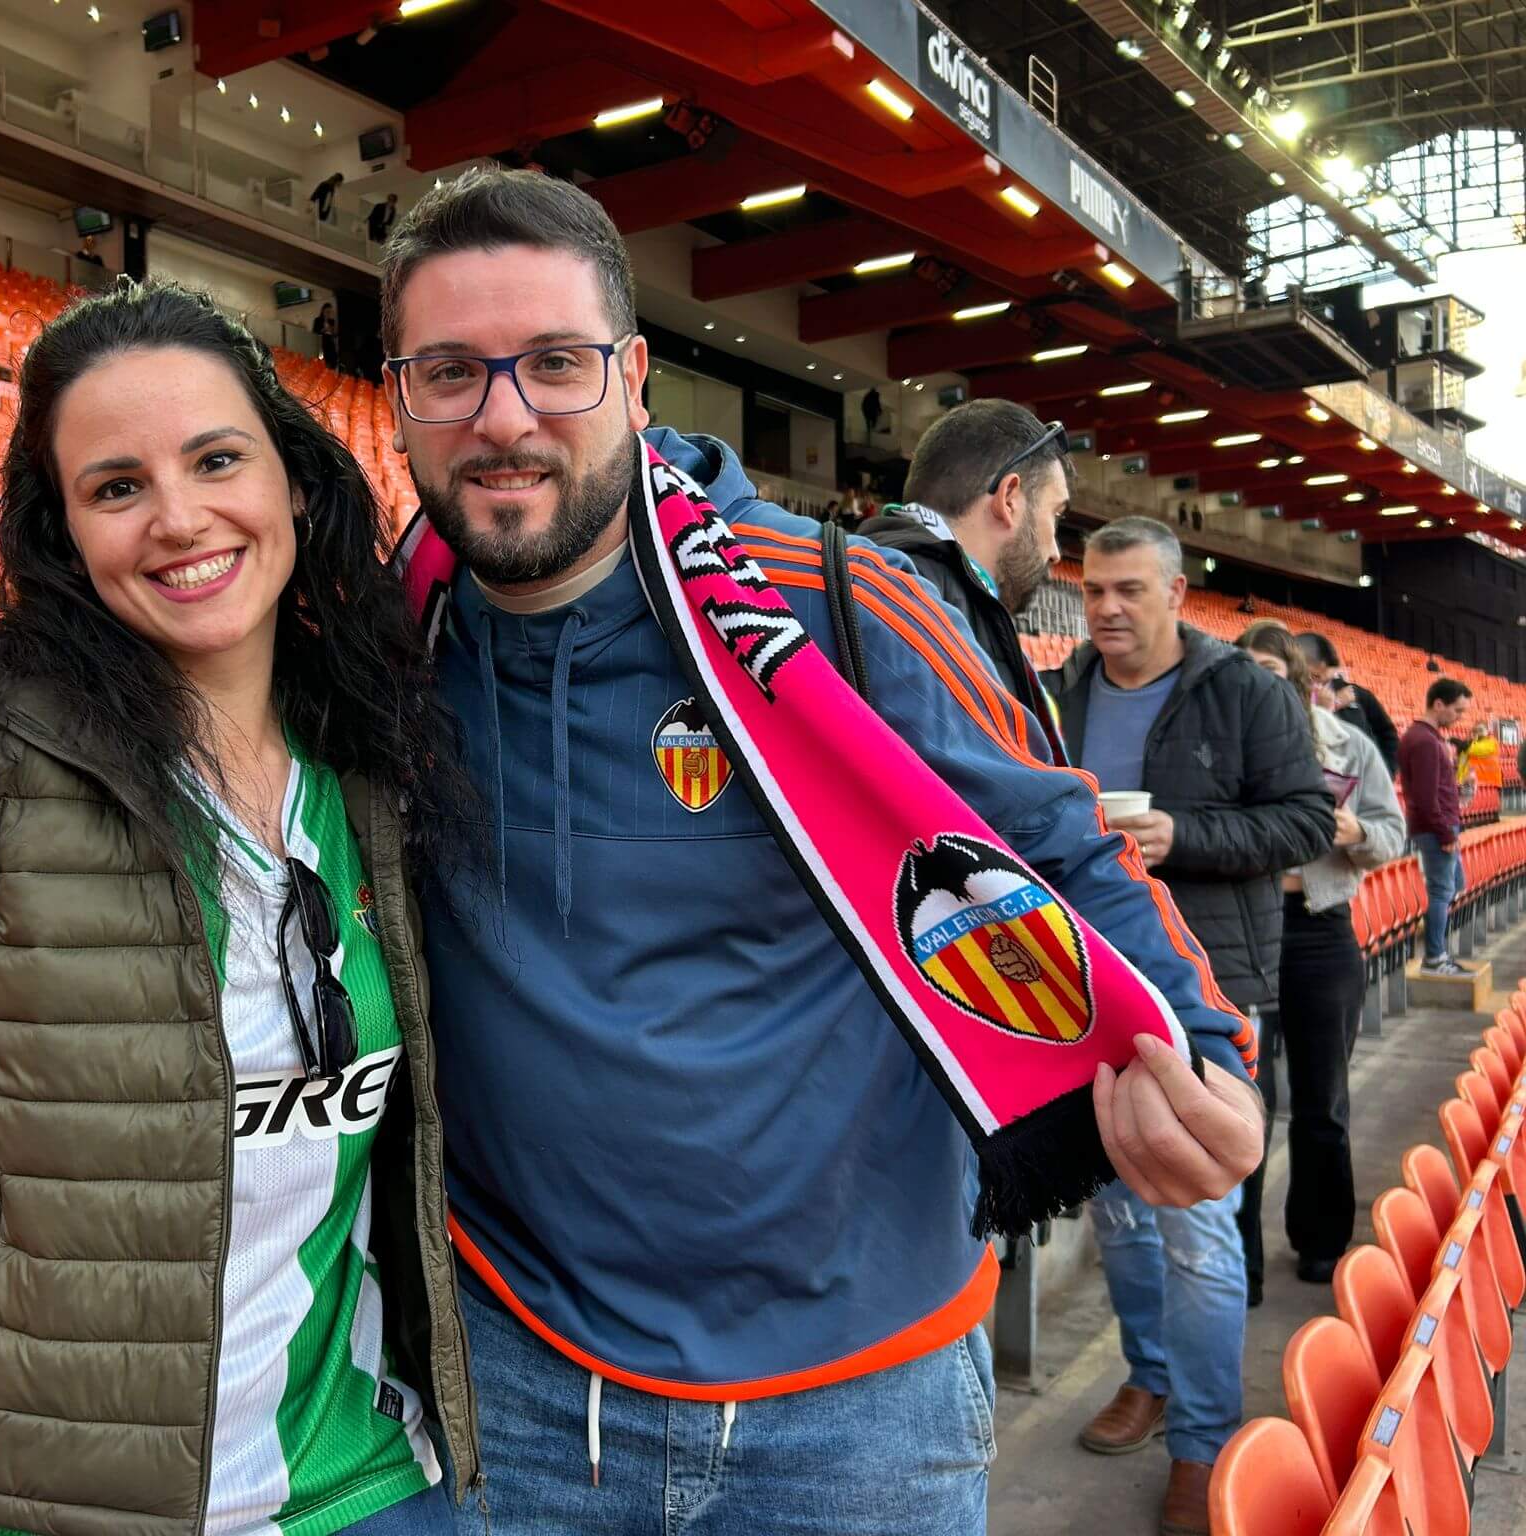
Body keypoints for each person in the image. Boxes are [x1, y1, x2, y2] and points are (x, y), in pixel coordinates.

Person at [378, 164, 1264, 1536]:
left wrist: (1200, 1047)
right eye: (450, 372)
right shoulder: (387, 644)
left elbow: (1057, 844)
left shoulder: (837, 601)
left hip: (860, 1412)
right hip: (524, 1390)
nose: (505, 418)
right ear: (397, 395)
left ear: (633, 374)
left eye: (555, 364)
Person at [0, 283, 479, 1535]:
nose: (178, 518)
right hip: (5, 1498)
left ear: (293, 482)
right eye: (115, 487)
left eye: (217, 459)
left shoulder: (373, 761)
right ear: (62, 535)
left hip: (351, 1482)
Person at [1048, 518, 1332, 1534]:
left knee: (1199, 1228)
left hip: (1202, 986)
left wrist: (1182, 835)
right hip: (1089, 991)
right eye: (1092, 592)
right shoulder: (1066, 687)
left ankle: (1204, 1440)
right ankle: (1150, 1376)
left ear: (1175, 593)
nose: (1108, 610)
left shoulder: (1245, 689)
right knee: (1119, 1213)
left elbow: (1303, 819)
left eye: (1128, 590)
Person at [1233, 623, 1403, 1294]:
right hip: (1245, 926)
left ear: (1298, 678)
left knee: (1321, 1098)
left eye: (1271, 668)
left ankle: (1322, 1239)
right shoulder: (1224, 744)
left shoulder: (1348, 745)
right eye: (1247, 668)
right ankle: (1237, 1259)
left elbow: (1391, 833)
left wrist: (1354, 829)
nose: (1259, 680)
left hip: (1321, 925)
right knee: (1245, 1098)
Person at [858, 398, 1072, 759]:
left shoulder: (879, 578)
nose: (1055, 551)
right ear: (1009, 499)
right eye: (1055, 514)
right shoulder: (927, 605)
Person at [1402, 677, 1476, 976]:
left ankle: (1436, 950)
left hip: (1441, 826)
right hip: (1437, 829)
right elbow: (1424, 797)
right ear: (1438, 704)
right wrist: (1444, 832)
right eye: (1457, 711)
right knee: (1442, 889)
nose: (1459, 718)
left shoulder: (1428, 739)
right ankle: (1434, 957)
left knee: (1453, 885)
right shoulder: (1423, 740)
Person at [1294, 632, 1397, 776]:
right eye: (1314, 677)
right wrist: (1324, 710)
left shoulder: (1356, 694)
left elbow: (1387, 733)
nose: (1319, 686)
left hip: (1363, 787)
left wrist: (1385, 775)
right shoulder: (1282, 700)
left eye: (1328, 680)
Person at [314, 301, 340, 371]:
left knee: (333, 361)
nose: (328, 313)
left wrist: (332, 330)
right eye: (327, 311)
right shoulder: (318, 320)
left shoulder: (331, 321)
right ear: (323, 311)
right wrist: (323, 330)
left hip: (330, 344)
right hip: (321, 344)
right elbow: (315, 332)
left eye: (330, 311)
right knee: (322, 361)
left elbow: (335, 335)